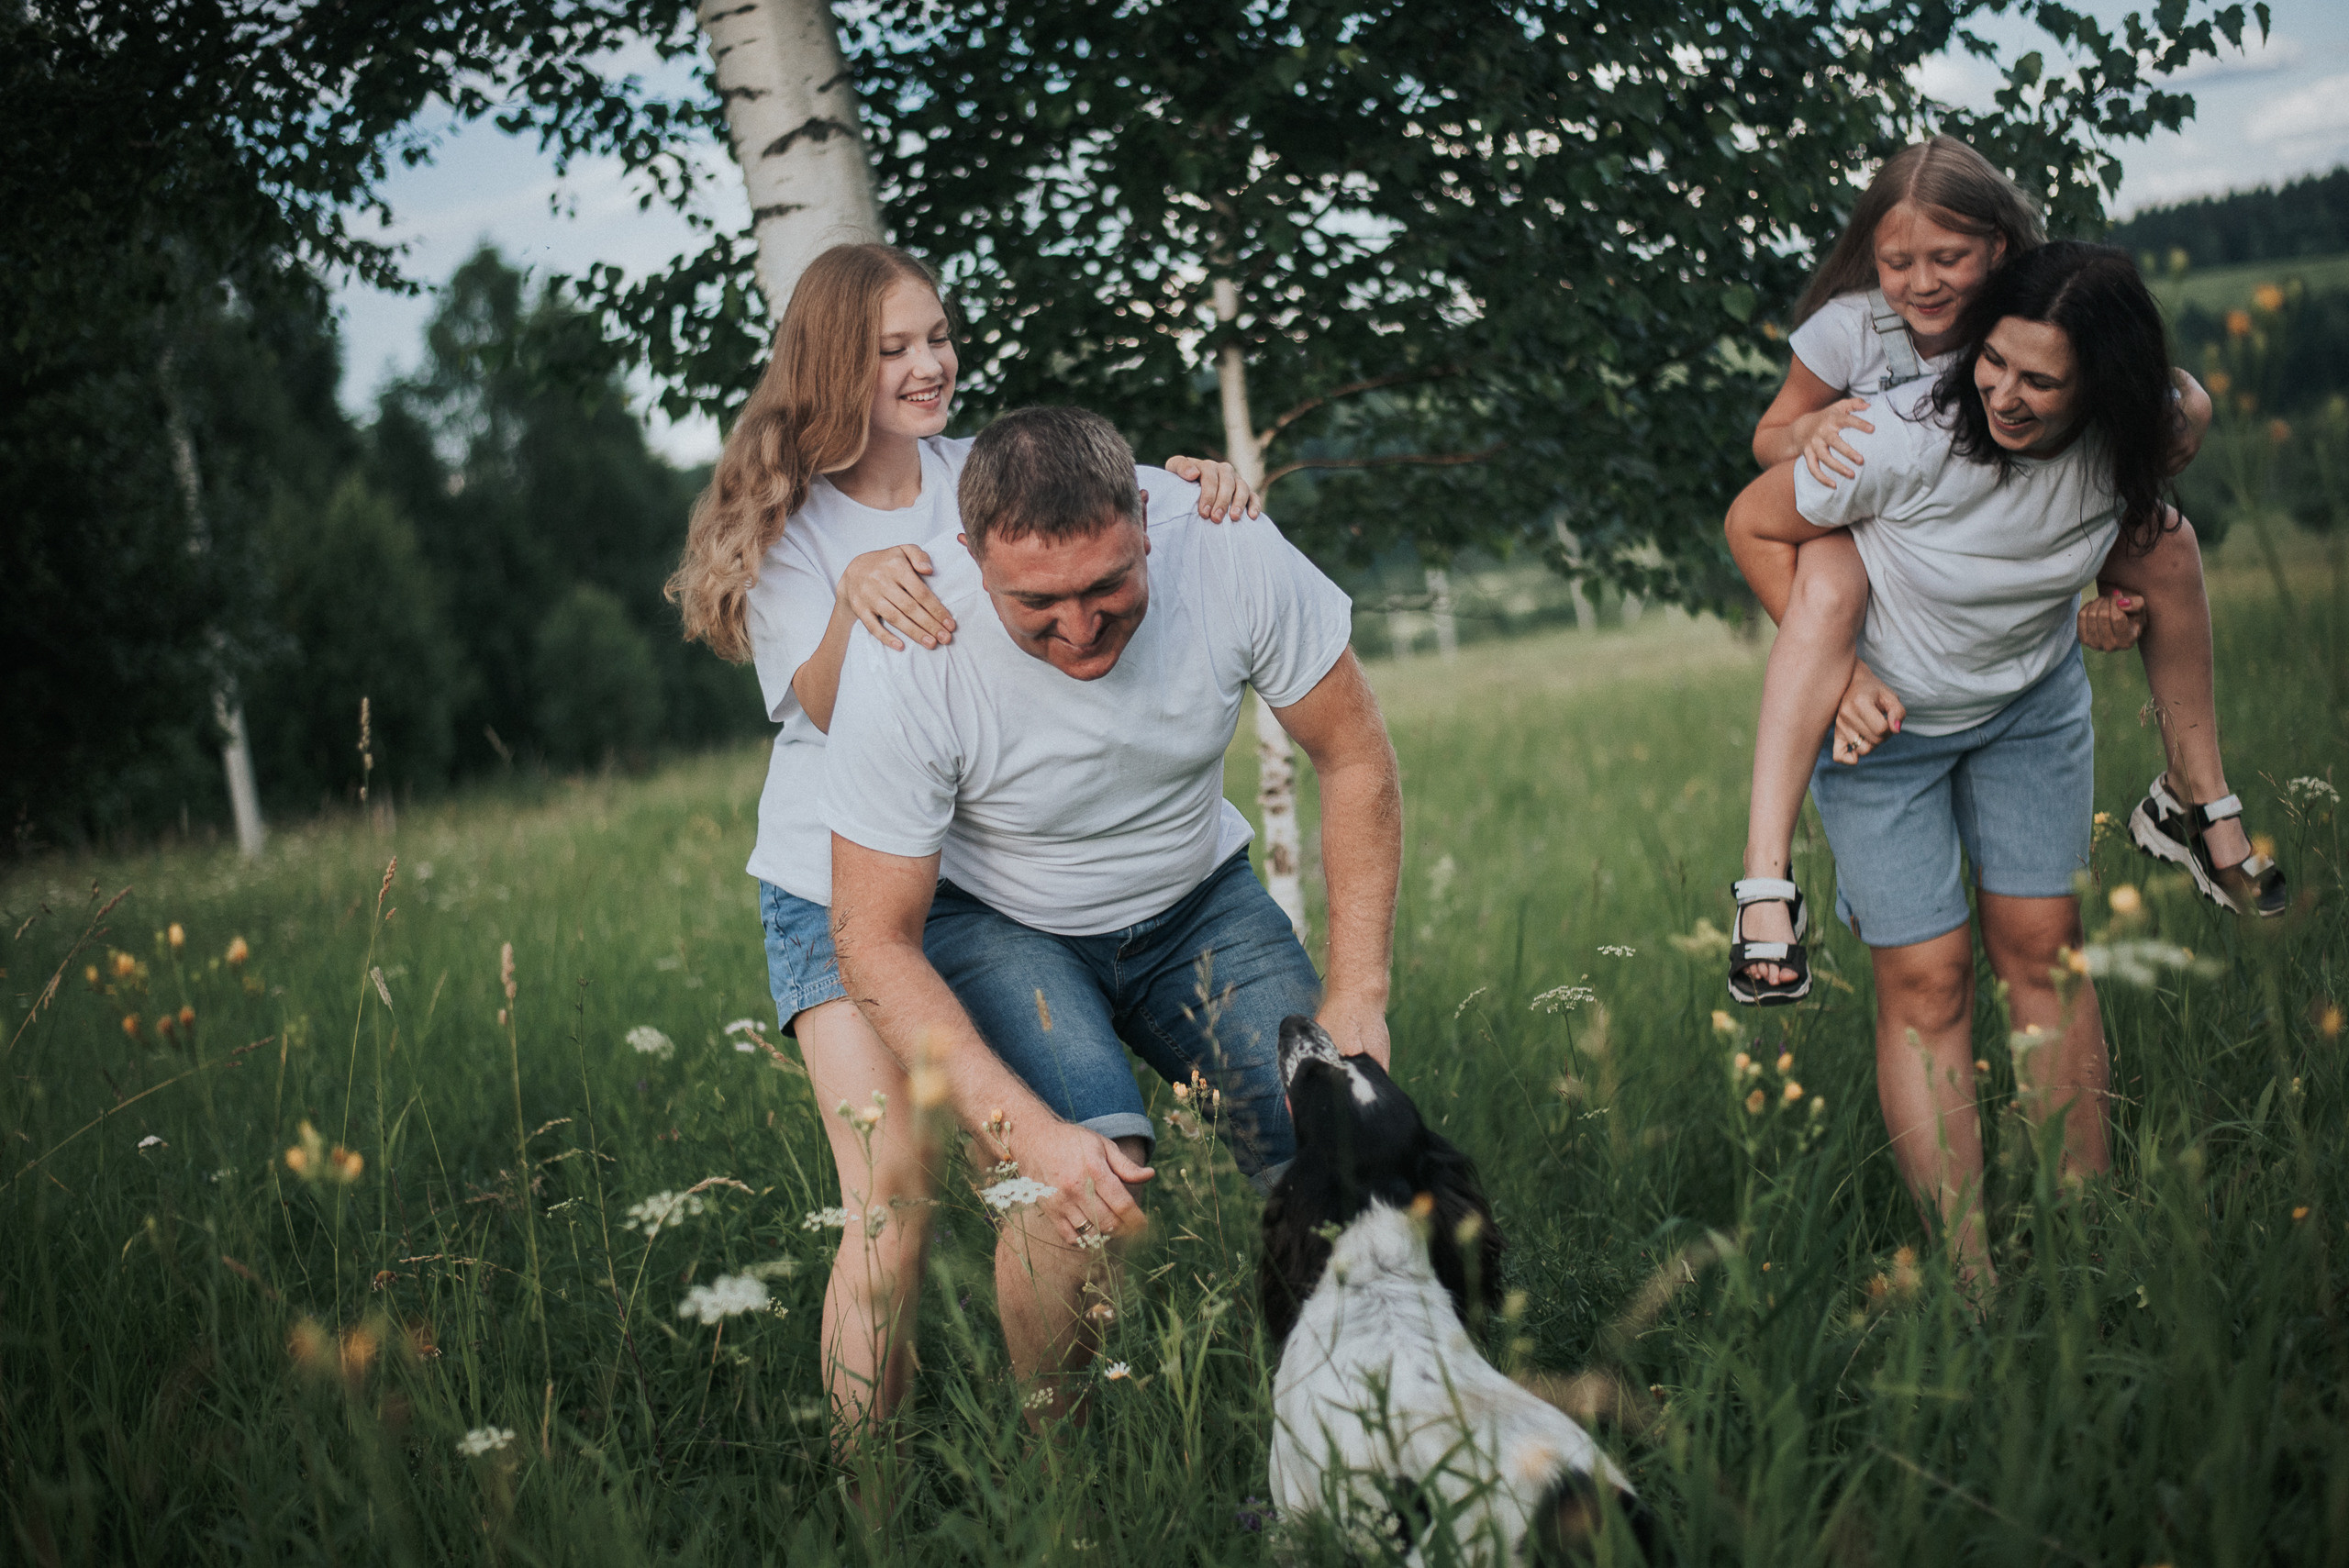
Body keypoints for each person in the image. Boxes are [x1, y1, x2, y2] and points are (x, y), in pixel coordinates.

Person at [662, 243, 1261, 1466]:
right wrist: (853, 596)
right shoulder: (790, 521)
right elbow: (829, 704)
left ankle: (1058, 1460)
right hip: (835, 884)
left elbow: (1092, 529)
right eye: (895, 350)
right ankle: (870, 1501)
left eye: (937, 336)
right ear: (837, 366)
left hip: (981, 889)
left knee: (1058, 1174)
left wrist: (1196, 487)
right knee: (896, 1200)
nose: (932, 363)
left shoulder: (969, 475)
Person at [823, 405, 1402, 1418]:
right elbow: (869, 938)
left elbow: (1353, 756)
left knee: (1338, 1154)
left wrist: (1358, 989)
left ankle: (1353, 1431)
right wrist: (1028, 1132)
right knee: (1079, 1189)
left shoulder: (1225, 547)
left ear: (1144, 516)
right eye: (1038, 601)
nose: (1080, 627)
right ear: (969, 555)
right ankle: (1065, 1475)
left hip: (1199, 902)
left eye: (1107, 585)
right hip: (1002, 921)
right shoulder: (911, 643)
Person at [1722, 241, 2189, 1288]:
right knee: (1926, 983)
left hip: (2027, 709)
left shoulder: (2121, 436)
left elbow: (2163, 449)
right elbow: (1752, 521)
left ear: (2098, 387)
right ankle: (1970, 1277)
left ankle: (2086, 1246)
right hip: (1880, 734)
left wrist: (2112, 606)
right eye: (1994, 364)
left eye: (2040, 380)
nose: (2005, 395)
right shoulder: (1900, 435)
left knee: (2044, 949)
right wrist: (1838, 683)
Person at [1729, 139, 2278, 1006]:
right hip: (1855, 508)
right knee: (1830, 589)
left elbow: (2113, 442)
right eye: (1897, 260)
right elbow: (1767, 447)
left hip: (1994, 553)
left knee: (2165, 540)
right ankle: (1763, 876)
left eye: (1946, 257)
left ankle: (2195, 792)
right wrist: (1818, 435)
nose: (1921, 282)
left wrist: (2112, 576)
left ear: (2001, 250)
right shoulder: (1853, 330)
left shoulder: (2026, 314)